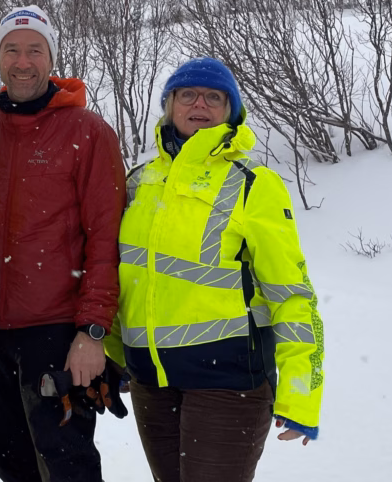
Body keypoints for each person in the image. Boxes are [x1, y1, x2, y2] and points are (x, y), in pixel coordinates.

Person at [103, 56, 326, 482]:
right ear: (170, 106)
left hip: (229, 384)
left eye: (214, 97)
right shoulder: (138, 181)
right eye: (187, 94)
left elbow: (292, 293)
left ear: (231, 110)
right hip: (152, 383)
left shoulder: (252, 183)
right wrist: (114, 357)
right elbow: (124, 277)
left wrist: (301, 393)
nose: (199, 104)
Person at [0, 5, 127, 482]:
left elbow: (105, 239)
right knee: (11, 464)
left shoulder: (88, 132)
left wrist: (93, 330)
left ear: (51, 59)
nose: (22, 61)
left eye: (35, 49)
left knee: (66, 465)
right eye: (11, 50)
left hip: (58, 333)